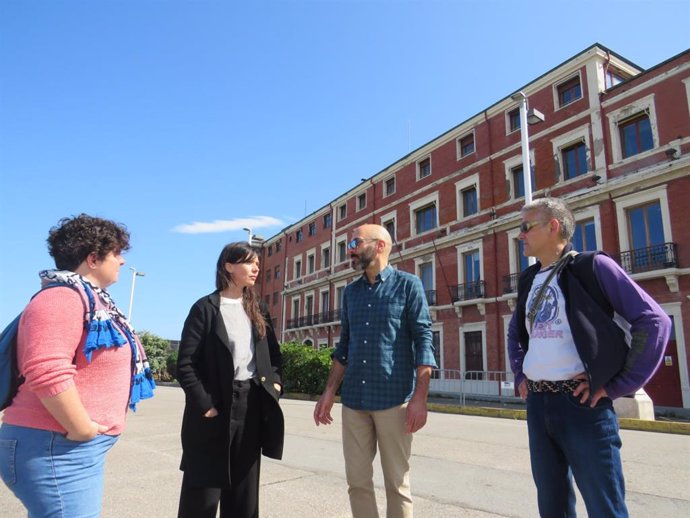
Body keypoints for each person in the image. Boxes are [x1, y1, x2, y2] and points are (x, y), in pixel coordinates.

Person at [507, 197, 671, 518]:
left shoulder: (593, 266)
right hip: (539, 405)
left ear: (553, 226)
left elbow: (654, 321)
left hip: (583, 406)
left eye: (526, 227)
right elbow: (516, 333)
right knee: (552, 506)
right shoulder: (528, 279)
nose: (520, 235)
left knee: (604, 508)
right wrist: (520, 374)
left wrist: (618, 385)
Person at [0, 214, 156, 518]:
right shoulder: (62, 297)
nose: (122, 262)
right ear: (93, 258)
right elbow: (47, 370)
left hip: (64, 446)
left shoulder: (93, 301)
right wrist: (82, 429)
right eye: (117, 253)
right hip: (53, 446)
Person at [313, 224, 437, 518]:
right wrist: (329, 391)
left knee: (397, 483)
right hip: (354, 400)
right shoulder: (351, 293)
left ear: (379, 245)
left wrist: (420, 397)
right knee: (357, 482)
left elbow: (423, 339)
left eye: (354, 243)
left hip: (394, 400)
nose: (350, 250)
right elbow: (344, 346)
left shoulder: (408, 285)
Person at [176, 242, 284, 518]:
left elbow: (273, 356)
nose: (256, 268)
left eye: (257, 263)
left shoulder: (257, 308)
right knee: (202, 494)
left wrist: (275, 384)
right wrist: (205, 404)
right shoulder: (205, 308)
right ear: (229, 266)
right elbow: (186, 364)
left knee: (244, 495)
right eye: (249, 262)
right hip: (214, 407)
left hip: (252, 404)